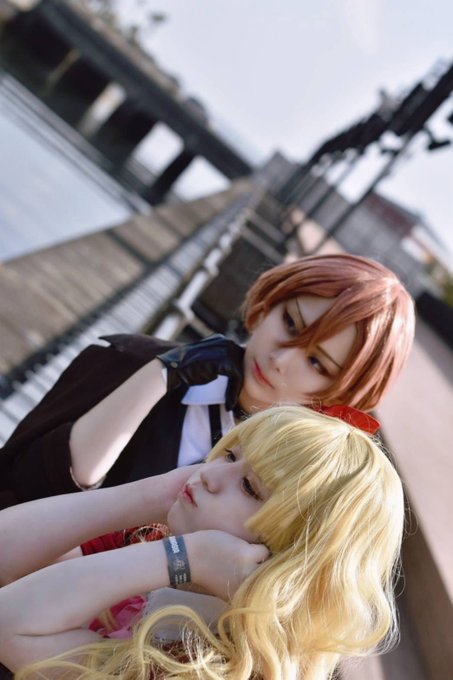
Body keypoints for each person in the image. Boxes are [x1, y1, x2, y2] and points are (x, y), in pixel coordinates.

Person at [0, 406, 404, 680]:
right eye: (229, 455)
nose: (209, 474)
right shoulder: (154, 540)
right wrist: (154, 494)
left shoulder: (212, 667)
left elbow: (8, 623)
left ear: (290, 554)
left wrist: (184, 556)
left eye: (249, 487)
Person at [0, 253, 415, 508]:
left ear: (342, 393)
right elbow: (28, 489)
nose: (280, 360)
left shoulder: (295, 486)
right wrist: (162, 373)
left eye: (317, 363)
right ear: (270, 303)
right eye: (290, 322)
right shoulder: (127, 359)